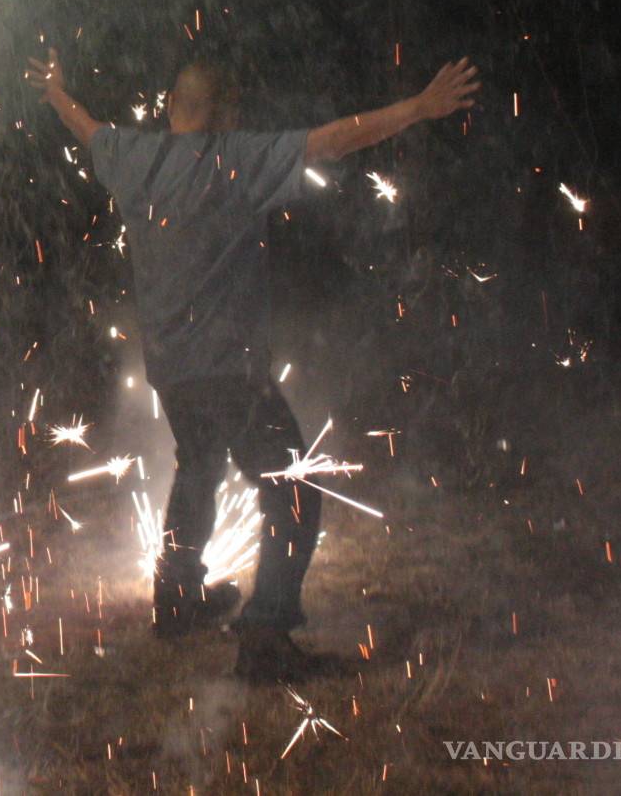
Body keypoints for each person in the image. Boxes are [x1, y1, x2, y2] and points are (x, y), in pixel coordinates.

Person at [25, 48, 480, 681]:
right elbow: (334, 140)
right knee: (293, 488)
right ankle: (266, 638)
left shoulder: (135, 156)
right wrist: (419, 108)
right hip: (230, 370)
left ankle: (177, 602)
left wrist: (55, 95)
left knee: (199, 464)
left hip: (172, 368)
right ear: (227, 113)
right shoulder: (234, 159)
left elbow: (89, 129)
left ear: (171, 107)